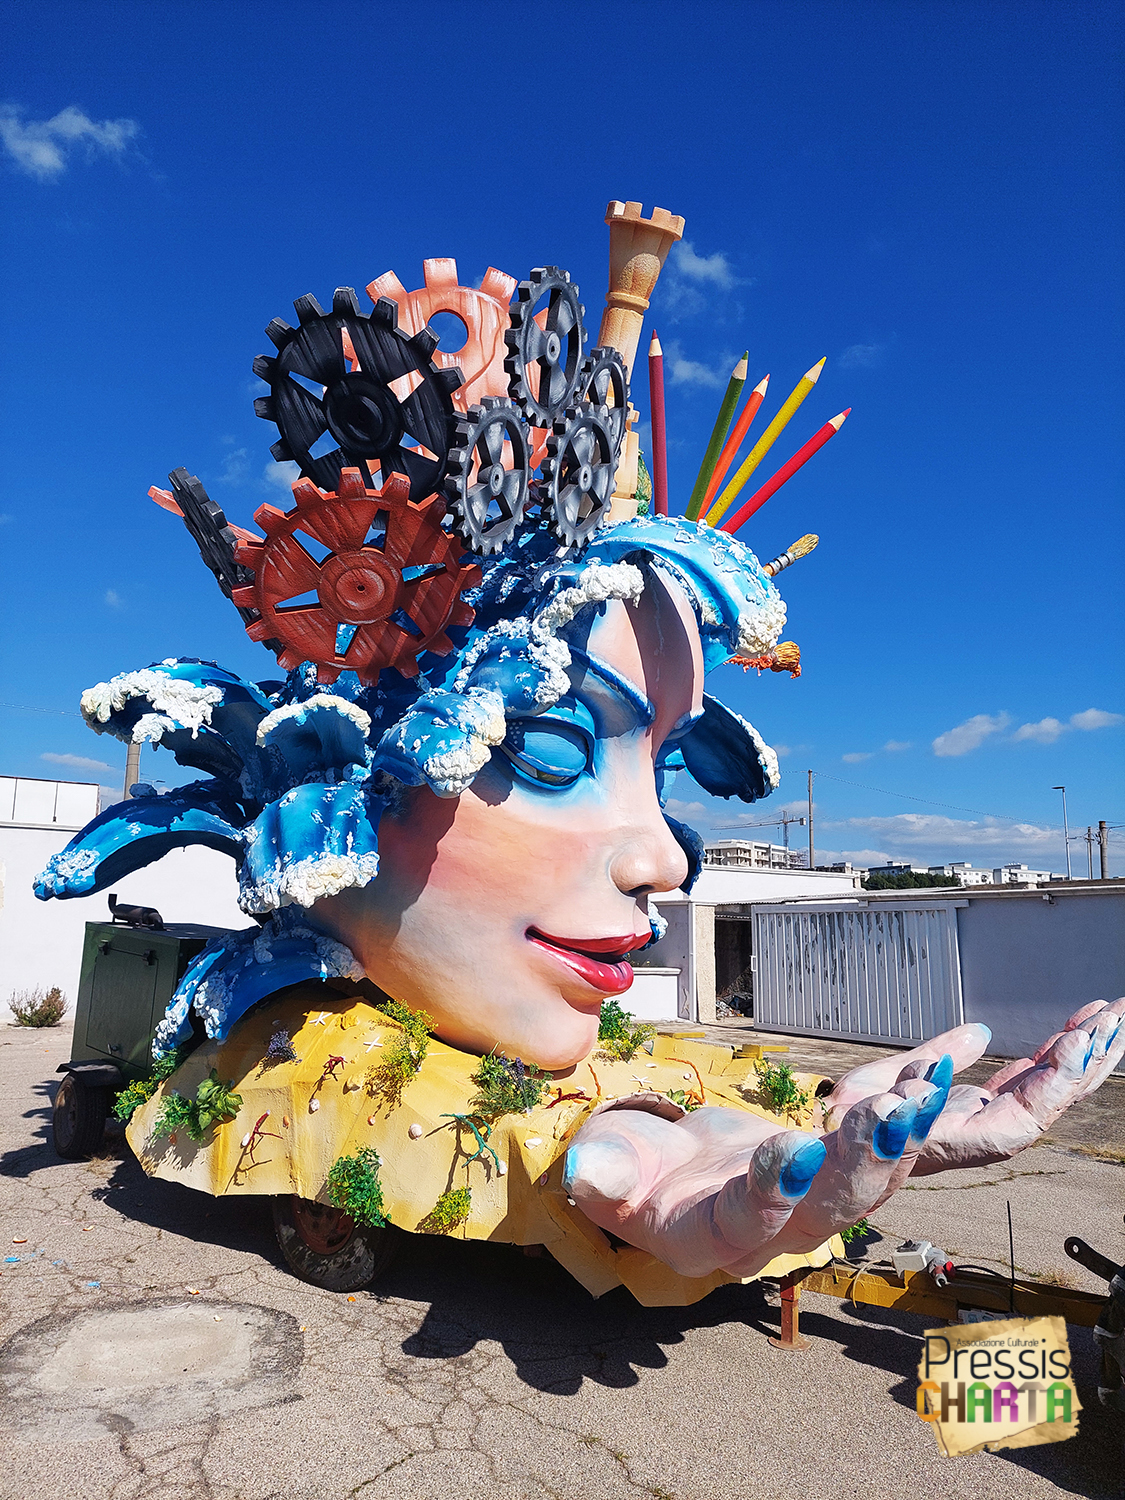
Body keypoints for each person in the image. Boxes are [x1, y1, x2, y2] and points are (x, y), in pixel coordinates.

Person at [36, 507, 1125, 1286]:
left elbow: (647, 1105)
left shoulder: (600, 1052)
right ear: (337, 797)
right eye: (554, 752)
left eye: (660, 770)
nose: (665, 863)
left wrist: (798, 1118)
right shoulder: (302, 1058)